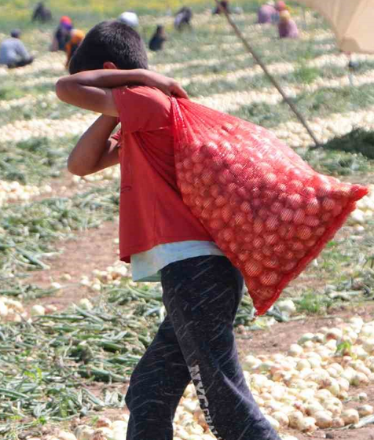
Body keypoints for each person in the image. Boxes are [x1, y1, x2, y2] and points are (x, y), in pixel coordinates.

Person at [55, 20, 283, 440]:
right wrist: (116, 105)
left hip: (195, 269)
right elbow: (81, 164)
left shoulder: (147, 100)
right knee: (150, 389)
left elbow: (66, 87)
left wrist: (138, 77)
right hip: (195, 270)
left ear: (109, 70)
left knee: (222, 395)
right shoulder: (141, 115)